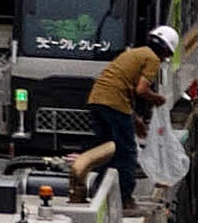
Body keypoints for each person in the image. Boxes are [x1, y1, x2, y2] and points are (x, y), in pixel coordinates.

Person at [69, 25, 176, 192]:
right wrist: (157, 99)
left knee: (106, 148)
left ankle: (100, 191)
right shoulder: (152, 59)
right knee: (127, 151)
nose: (164, 59)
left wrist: (135, 119)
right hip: (114, 102)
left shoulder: (133, 53)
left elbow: (122, 88)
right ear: (165, 51)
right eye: (167, 55)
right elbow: (141, 90)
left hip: (96, 98)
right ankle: (126, 198)